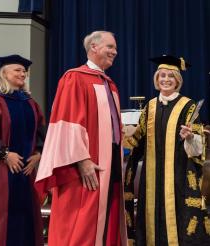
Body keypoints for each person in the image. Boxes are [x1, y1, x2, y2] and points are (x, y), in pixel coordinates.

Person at [35, 31, 128, 245]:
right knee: (82, 220)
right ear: (94, 47)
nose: (115, 51)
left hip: (110, 163)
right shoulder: (75, 78)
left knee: (107, 216)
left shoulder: (109, 83)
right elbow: (68, 125)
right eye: (110, 47)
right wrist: (82, 160)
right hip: (85, 165)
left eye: (115, 47)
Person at [123, 55, 210, 245]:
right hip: (152, 178)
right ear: (156, 79)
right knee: (151, 220)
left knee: (181, 221)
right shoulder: (150, 107)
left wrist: (189, 137)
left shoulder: (187, 106)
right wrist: (130, 133)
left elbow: (198, 148)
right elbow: (138, 141)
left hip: (179, 176)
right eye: (162, 75)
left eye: (170, 76)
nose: (166, 79)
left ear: (177, 80)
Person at [0, 54, 45, 246]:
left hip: (26, 172)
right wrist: (5, 154)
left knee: (26, 217)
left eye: (25, 71)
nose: (23, 74)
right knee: (2, 219)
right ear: (4, 73)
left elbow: (41, 132)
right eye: (18, 70)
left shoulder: (30, 103)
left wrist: (38, 155)